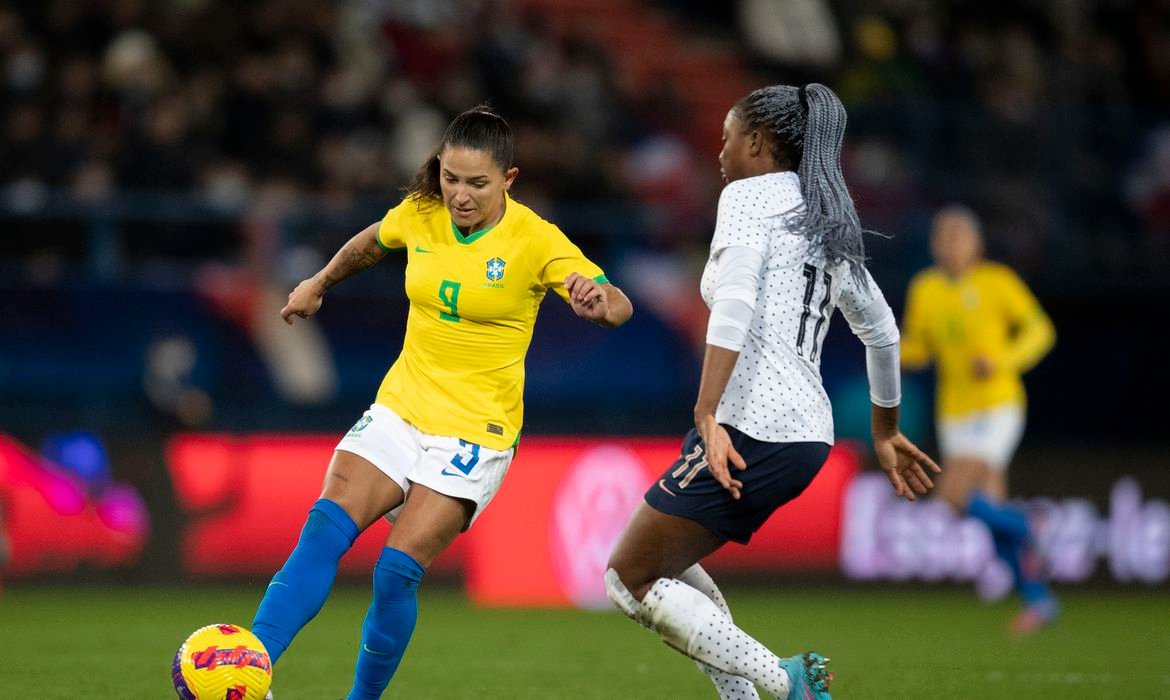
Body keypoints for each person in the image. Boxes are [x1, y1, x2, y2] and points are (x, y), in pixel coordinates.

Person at [250, 106, 633, 699]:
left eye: (477, 183)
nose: (459, 194)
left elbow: (617, 305)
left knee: (394, 572)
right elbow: (371, 243)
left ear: (508, 179)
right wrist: (319, 283)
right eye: (451, 178)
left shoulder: (536, 239)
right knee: (322, 532)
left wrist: (597, 303)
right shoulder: (422, 212)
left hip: (475, 433)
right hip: (401, 407)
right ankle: (247, 671)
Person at [605, 83, 939, 700]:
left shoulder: (748, 196)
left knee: (628, 579)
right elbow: (882, 330)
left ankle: (786, 681)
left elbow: (735, 300)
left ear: (757, 143)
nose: (720, 152)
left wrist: (707, 412)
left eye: (727, 138)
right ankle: (744, 697)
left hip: (751, 425)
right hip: (804, 436)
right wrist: (886, 430)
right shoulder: (823, 216)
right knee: (667, 565)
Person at [901, 205, 1057, 633]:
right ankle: (1039, 600)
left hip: (997, 404)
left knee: (952, 495)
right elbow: (920, 348)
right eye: (942, 235)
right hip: (953, 412)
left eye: (958, 235)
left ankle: (1029, 525)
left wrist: (1002, 360)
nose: (949, 243)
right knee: (990, 514)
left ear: (976, 243)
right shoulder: (926, 287)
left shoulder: (997, 282)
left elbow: (1041, 331)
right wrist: (892, 350)